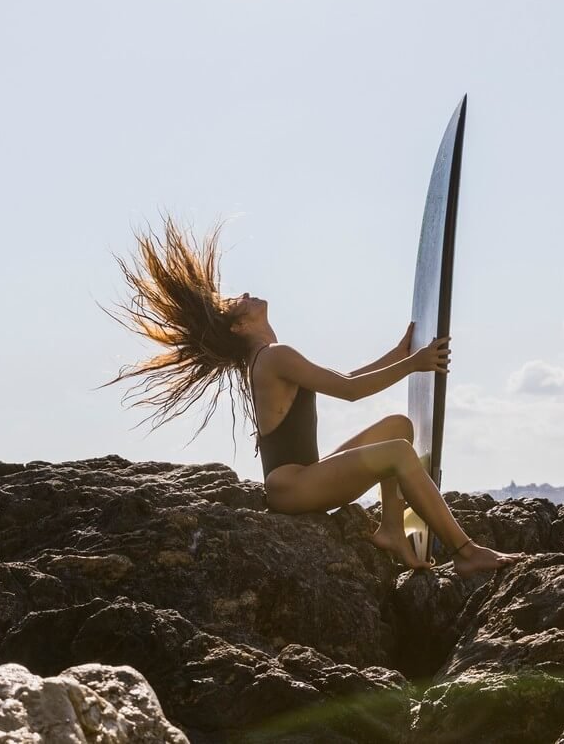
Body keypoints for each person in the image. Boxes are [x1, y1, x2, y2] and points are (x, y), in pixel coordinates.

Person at [101, 213, 525, 575]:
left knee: (399, 427)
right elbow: (351, 391)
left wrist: (396, 355)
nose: (245, 296)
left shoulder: (271, 357)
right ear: (238, 327)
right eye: (236, 303)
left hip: (301, 478)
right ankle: (466, 553)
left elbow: (343, 377)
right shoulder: (274, 356)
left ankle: (392, 531)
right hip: (293, 489)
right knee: (396, 451)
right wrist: (414, 364)